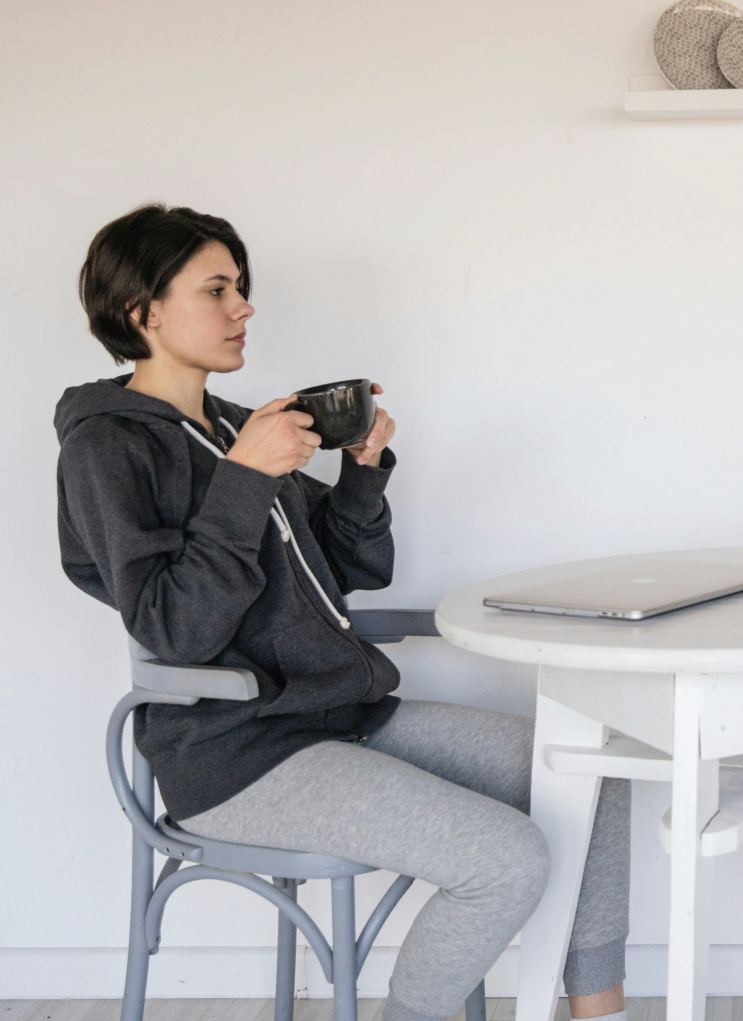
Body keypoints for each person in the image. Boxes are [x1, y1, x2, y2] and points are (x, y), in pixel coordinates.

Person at [55, 205, 630, 1021]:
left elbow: (353, 566)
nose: (243, 306)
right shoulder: (106, 446)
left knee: (595, 773)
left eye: (241, 288)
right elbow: (170, 628)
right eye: (216, 289)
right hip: (236, 753)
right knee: (507, 860)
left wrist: (360, 472)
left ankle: (599, 1012)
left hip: (338, 715)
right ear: (142, 311)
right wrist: (247, 479)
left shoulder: (232, 425)